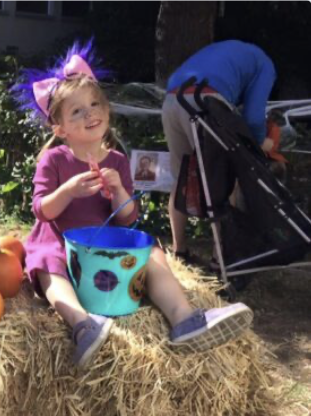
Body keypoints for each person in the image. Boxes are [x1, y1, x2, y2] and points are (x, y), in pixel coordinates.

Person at [13, 42, 254, 368]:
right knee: (46, 265)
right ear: (60, 129)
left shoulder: (116, 159)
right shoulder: (54, 160)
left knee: (152, 252)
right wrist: (68, 191)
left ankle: (184, 318)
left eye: (95, 104)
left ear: (107, 110)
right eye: (77, 111)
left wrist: (117, 191)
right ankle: (83, 325)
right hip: (62, 241)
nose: (90, 113)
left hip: (106, 241)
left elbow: (127, 218)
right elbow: (42, 210)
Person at [161, 40, 276, 261]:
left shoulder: (232, 52)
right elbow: (253, 117)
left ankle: (179, 251)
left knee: (181, 177)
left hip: (171, 100)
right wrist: (261, 143)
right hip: (206, 101)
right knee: (223, 179)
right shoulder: (266, 65)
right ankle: (220, 257)